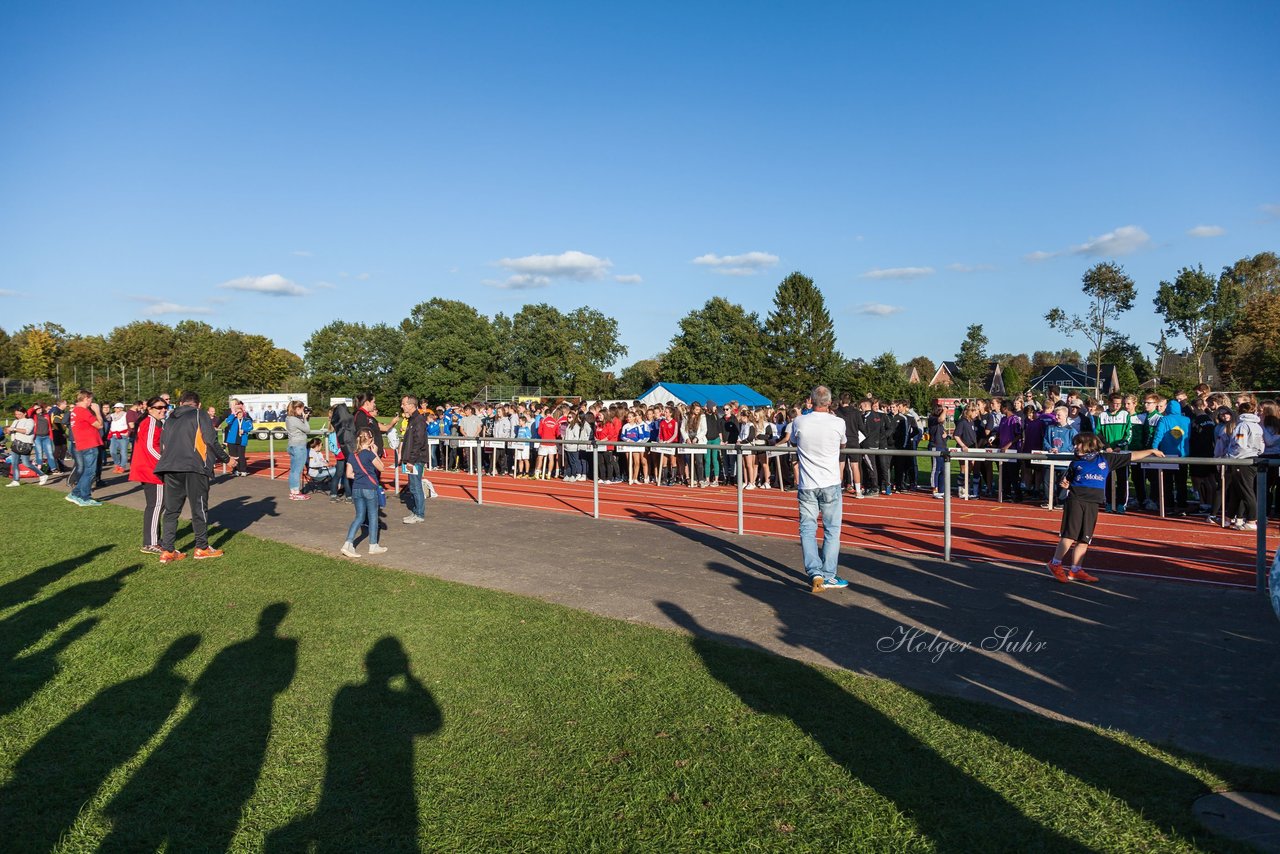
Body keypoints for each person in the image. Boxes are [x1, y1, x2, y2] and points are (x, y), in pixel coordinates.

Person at [1047, 433, 1163, 583]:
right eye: (1075, 444)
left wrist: (1151, 450)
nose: (1075, 447)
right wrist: (1065, 484)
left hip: (1093, 503)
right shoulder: (1075, 462)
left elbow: (1131, 456)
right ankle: (1055, 563)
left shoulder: (1106, 458)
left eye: (1078, 444)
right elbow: (1067, 479)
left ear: (1089, 444)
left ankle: (1076, 570)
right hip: (1076, 500)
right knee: (1069, 535)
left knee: (1085, 538)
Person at [154, 390, 230, 563]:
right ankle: (202, 548)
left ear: (180, 403)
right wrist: (227, 459)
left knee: (171, 511)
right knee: (199, 508)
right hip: (194, 467)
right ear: (199, 404)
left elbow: (162, 444)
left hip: (170, 467)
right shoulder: (199, 414)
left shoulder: (170, 418)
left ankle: (168, 550)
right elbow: (211, 440)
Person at [790, 386, 849, 592]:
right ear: (830, 402)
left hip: (807, 484)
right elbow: (843, 444)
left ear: (811, 401)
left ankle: (814, 571)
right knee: (832, 530)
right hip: (830, 482)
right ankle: (829, 575)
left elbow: (793, 441)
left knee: (807, 528)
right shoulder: (838, 422)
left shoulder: (799, 421)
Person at [341, 429, 387, 557]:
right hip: (369, 488)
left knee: (359, 517)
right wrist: (375, 453)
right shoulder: (369, 454)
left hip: (356, 488)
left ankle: (348, 544)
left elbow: (349, 474)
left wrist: (360, 476)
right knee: (373, 517)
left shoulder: (352, 455)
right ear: (371, 440)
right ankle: (373, 545)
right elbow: (381, 467)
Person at [130, 397, 167, 553]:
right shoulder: (151, 422)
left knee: (158, 504)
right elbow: (151, 447)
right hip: (151, 469)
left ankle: (154, 539)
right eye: (159, 407)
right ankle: (150, 542)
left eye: (165, 406)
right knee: (156, 505)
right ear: (150, 409)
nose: (163, 409)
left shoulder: (152, 422)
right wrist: (166, 463)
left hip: (149, 468)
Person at [1223, 400, 1264, 531]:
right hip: (1253, 458)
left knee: (1246, 491)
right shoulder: (1257, 426)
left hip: (1242, 459)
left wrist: (1231, 456)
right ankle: (1230, 517)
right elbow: (1261, 445)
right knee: (1237, 490)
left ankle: (1252, 520)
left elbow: (1240, 444)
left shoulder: (1243, 425)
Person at [67, 389, 104, 506]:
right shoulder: (83, 411)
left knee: (87, 471)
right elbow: (100, 425)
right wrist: (97, 411)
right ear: (86, 398)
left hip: (83, 444)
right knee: (90, 472)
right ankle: (84, 497)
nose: (91, 402)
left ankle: (76, 494)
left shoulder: (75, 411)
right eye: (91, 399)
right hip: (89, 444)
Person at [398, 395, 429, 524]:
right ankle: (416, 511)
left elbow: (419, 442)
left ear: (411, 405)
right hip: (412, 458)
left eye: (404, 404)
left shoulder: (418, 420)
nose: (402, 406)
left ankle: (419, 514)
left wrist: (411, 460)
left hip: (416, 459)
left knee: (416, 487)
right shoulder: (413, 419)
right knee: (413, 486)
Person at [6, 405, 46, 487]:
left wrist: (14, 429)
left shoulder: (29, 421)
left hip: (25, 445)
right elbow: (12, 432)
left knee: (26, 463)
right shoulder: (15, 421)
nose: (17, 416)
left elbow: (27, 431)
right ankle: (16, 480)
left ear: (24, 413)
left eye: (19, 414)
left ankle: (42, 475)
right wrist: (9, 431)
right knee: (14, 463)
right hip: (15, 444)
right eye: (16, 414)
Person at [221, 399, 254, 477]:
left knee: (241, 456)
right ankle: (235, 470)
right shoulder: (233, 419)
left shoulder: (246, 420)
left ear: (243, 412)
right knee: (233, 456)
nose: (239, 414)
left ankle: (243, 470)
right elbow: (228, 421)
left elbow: (251, 427)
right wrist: (233, 414)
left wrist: (244, 430)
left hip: (242, 440)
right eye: (238, 412)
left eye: (241, 412)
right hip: (232, 441)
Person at [285, 400, 310, 500]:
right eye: (302, 409)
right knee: (297, 470)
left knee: (293, 470)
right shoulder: (294, 419)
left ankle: (293, 491)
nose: (303, 411)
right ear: (297, 409)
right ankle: (296, 492)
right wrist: (305, 419)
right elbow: (307, 430)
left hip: (293, 445)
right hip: (299, 446)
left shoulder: (288, 418)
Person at [107, 403, 132, 475]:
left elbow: (130, 423)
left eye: (117, 407)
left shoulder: (126, 415)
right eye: (115, 407)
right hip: (113, 436)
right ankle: (117, 464)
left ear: (121, 408)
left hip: (123, 436)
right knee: (112, 451)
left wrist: (129, 432)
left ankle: (122, 467)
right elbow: (106, 418)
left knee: (123, 453)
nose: (116, 409)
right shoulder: (112, 415)